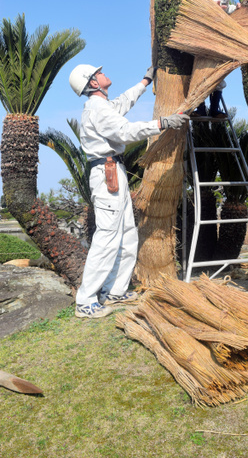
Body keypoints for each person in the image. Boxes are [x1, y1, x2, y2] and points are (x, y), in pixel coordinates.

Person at [69, 64, 189, 319]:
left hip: (114, 171)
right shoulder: (97, 109)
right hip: (106, 174)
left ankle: (114, 290)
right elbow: (125, 130)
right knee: (107, 238)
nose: (103, 73)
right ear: (92, 83)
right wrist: (162, 123)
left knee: (126, 234)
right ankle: (86, 300)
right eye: (98, 73)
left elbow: (123, 102)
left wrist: (145, 81)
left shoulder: (103, 106)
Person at [194, 0, 241, 119]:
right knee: (200, 71)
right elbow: (191, 6)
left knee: (218, 71)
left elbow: (226, 9)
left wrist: (236, 8)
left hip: (217, 36)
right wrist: (209, 7)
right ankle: (199, 107)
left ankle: (214, 109)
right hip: (199, 34)